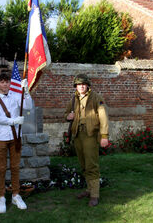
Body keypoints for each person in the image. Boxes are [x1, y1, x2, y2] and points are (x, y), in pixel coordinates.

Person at [0, 72, 33, 213]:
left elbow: (28, 106)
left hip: (15, 138)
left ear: (9, 83)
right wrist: (13, 121)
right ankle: (1, 197)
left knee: (15, 167)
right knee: (1, 168)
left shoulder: (16, 96)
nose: (5, 84)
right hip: (1, 138)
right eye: (2, 82)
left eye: (7, 82)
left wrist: (25, 91)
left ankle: (15, 194)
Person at [64, 74, 109, 207]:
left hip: (90, 135)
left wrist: (104, 136)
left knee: (91, 164)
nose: (81, 86)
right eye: (78, 84)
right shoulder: (73, 99)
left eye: (83, 84)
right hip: (77, 134)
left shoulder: (96, 98)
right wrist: (68, 116)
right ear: (76, 86)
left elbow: (104, 117)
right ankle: (89, 190)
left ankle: (95, 195)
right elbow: (65, 114)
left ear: (88, 85)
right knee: (83, 164)